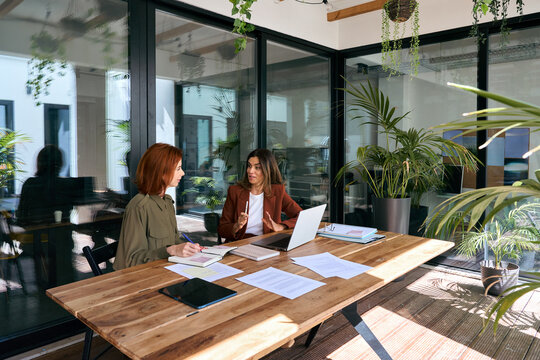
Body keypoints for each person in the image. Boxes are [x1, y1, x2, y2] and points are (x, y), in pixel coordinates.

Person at [113, 143, 201, 270]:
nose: (183, 173)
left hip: (168, 272)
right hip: (146, 281)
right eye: (178, 168)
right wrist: (171, 250)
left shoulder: (167, 202)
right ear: (161, 172)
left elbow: (174, 242)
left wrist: (188, 248)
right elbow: (131, 260)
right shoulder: (138, 207)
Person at [218, 148, 302, 242]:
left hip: (267, 243)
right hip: (240, 243)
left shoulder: (277, 191)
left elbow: (301, 215)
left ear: (268, 170)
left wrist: (280, 226)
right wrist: (236, 226)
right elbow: (222, 229)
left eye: (257, 167)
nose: (250, 171)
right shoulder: (235, 192)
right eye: (249, 166)